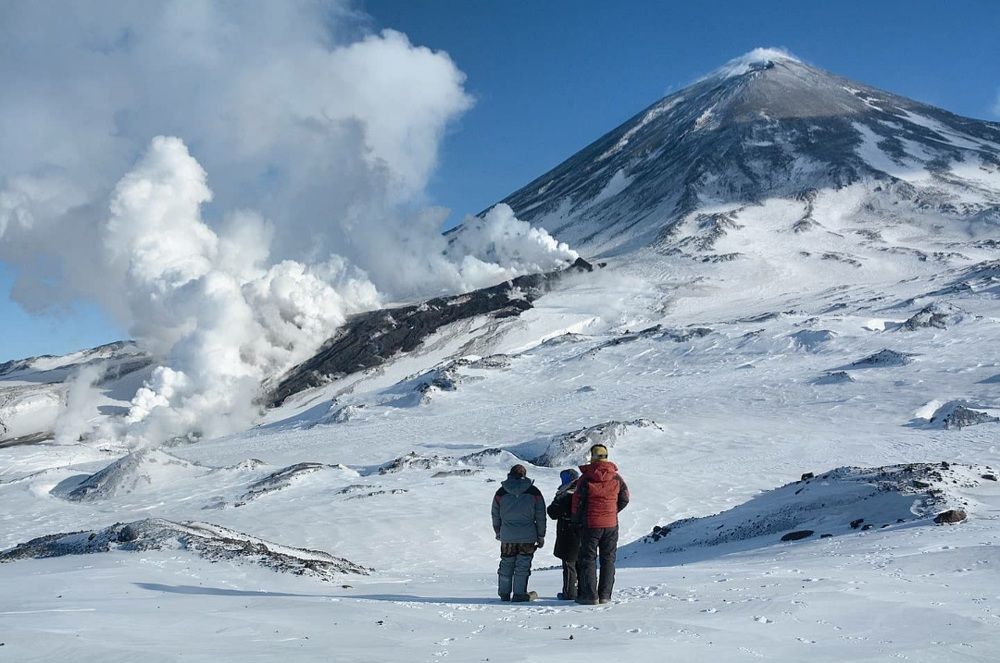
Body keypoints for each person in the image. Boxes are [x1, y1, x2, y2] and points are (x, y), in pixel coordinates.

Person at [572, 444, 629, 605]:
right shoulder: (616, 477)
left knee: (588, 559)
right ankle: (605, 596)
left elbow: (577, 502)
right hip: (611, 524)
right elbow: (625, 498)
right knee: (608, 560)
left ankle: (590, 596)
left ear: (592, 456)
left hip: (590, 524)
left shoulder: (586, 478)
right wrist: (612, 511)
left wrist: (577, 522)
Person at [491, 464, 546, 602]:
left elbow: (495, 514)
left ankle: (504, 593)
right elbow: (540, 516)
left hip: (507, 536)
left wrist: (498, 531)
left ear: (510, 474)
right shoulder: (534, 492)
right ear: (524, 475)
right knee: (523, 565)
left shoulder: (501, 492)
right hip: (527, 536)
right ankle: (519, 594)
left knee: (506, 563)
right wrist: (541, 536)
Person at [547, 468, 582, 600]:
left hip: (567, 532)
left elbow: (552, 512)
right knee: (582, 563)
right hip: (584, 531)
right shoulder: (584, 490)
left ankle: (569, 592)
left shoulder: (566, 494)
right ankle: (583, 590)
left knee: (569, 564)